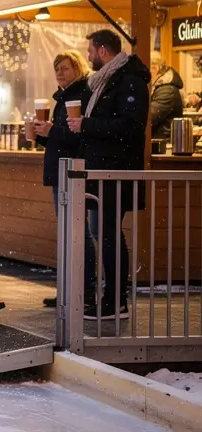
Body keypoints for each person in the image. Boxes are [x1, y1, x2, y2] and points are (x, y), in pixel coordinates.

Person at [67, 30, 150, 318]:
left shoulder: (128, 81)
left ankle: (116, 301)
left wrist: (87, 125)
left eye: (90, 51)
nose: (88, 56)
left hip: (115, 173)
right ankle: (111, 298)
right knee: (104, 234)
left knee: (109, 235)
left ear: (103, 51)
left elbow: (131, 126)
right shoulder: (105, 82)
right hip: (102, 173)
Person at [30, 51, 92, 308]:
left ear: (77, 68)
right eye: (57, 69)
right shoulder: (62, 97)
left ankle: (83, 289)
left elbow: (78, 137)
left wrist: (52, 131)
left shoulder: (82, 95)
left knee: (77, 232)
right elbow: (60, 138)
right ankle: (69, 290)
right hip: (60, 172)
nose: (59, 73)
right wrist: (39, 134)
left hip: (72, 172)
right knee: (69, 232)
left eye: (64, 68)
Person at [149, 51, 183, 141]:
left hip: (165, 145)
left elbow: (149, 118)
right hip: (160, 142)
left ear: (155, 68)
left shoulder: (167, 91)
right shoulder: (161, 88)